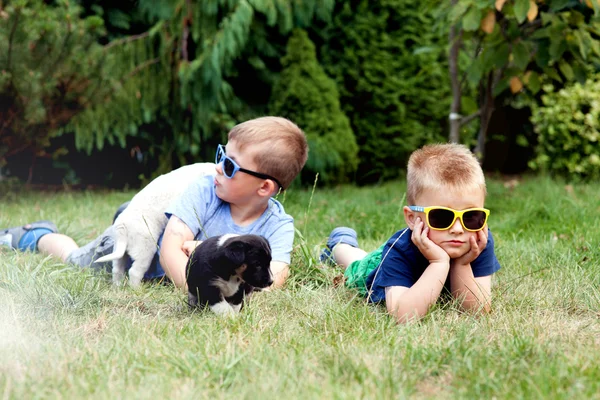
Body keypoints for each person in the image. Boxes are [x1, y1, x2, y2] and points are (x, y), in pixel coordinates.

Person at [0, 116, 308, 290]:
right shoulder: (205, 190)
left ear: (264, 187)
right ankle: (37, 235)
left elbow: (275, 277)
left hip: (162, 238)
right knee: (79, 260)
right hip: (143, 246)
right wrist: (200, 291)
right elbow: (171, 249)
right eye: (220, 156)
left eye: (229, 166)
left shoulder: (277, 226)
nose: (217, 167)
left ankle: (128, 212)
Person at [320, 143, 501, 323]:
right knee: (356, 261)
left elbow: (478, 311)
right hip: (376, 266)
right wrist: (439, 263)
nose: (458, 228)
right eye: (441, 217)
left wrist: (462, 264)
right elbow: (403, 316)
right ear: (413, 218)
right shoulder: (400, 249)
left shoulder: (477, 240)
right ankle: (340, 241)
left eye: (471, 216)